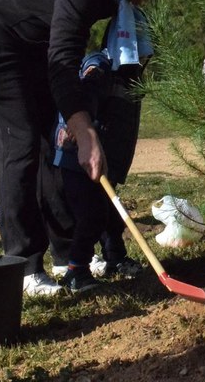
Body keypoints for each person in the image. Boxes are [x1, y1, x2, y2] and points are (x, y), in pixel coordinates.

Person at [0, 0, 188, 296]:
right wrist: (85, 129)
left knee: (54, 147)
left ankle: (65, 255)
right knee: (20, 149)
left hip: (37, 47)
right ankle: (23, 266)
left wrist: (76, 125)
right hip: (0, 39)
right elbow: (64, 54)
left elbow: (61, 53)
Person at [50, 51, 146, 291]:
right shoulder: (101, 65)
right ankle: (76, 270)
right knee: (92, 216)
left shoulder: (130, 75)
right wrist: (85, 129)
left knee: (112, 213)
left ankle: (116, 258)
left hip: (106, 157)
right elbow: (85, 93)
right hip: (80, 157)